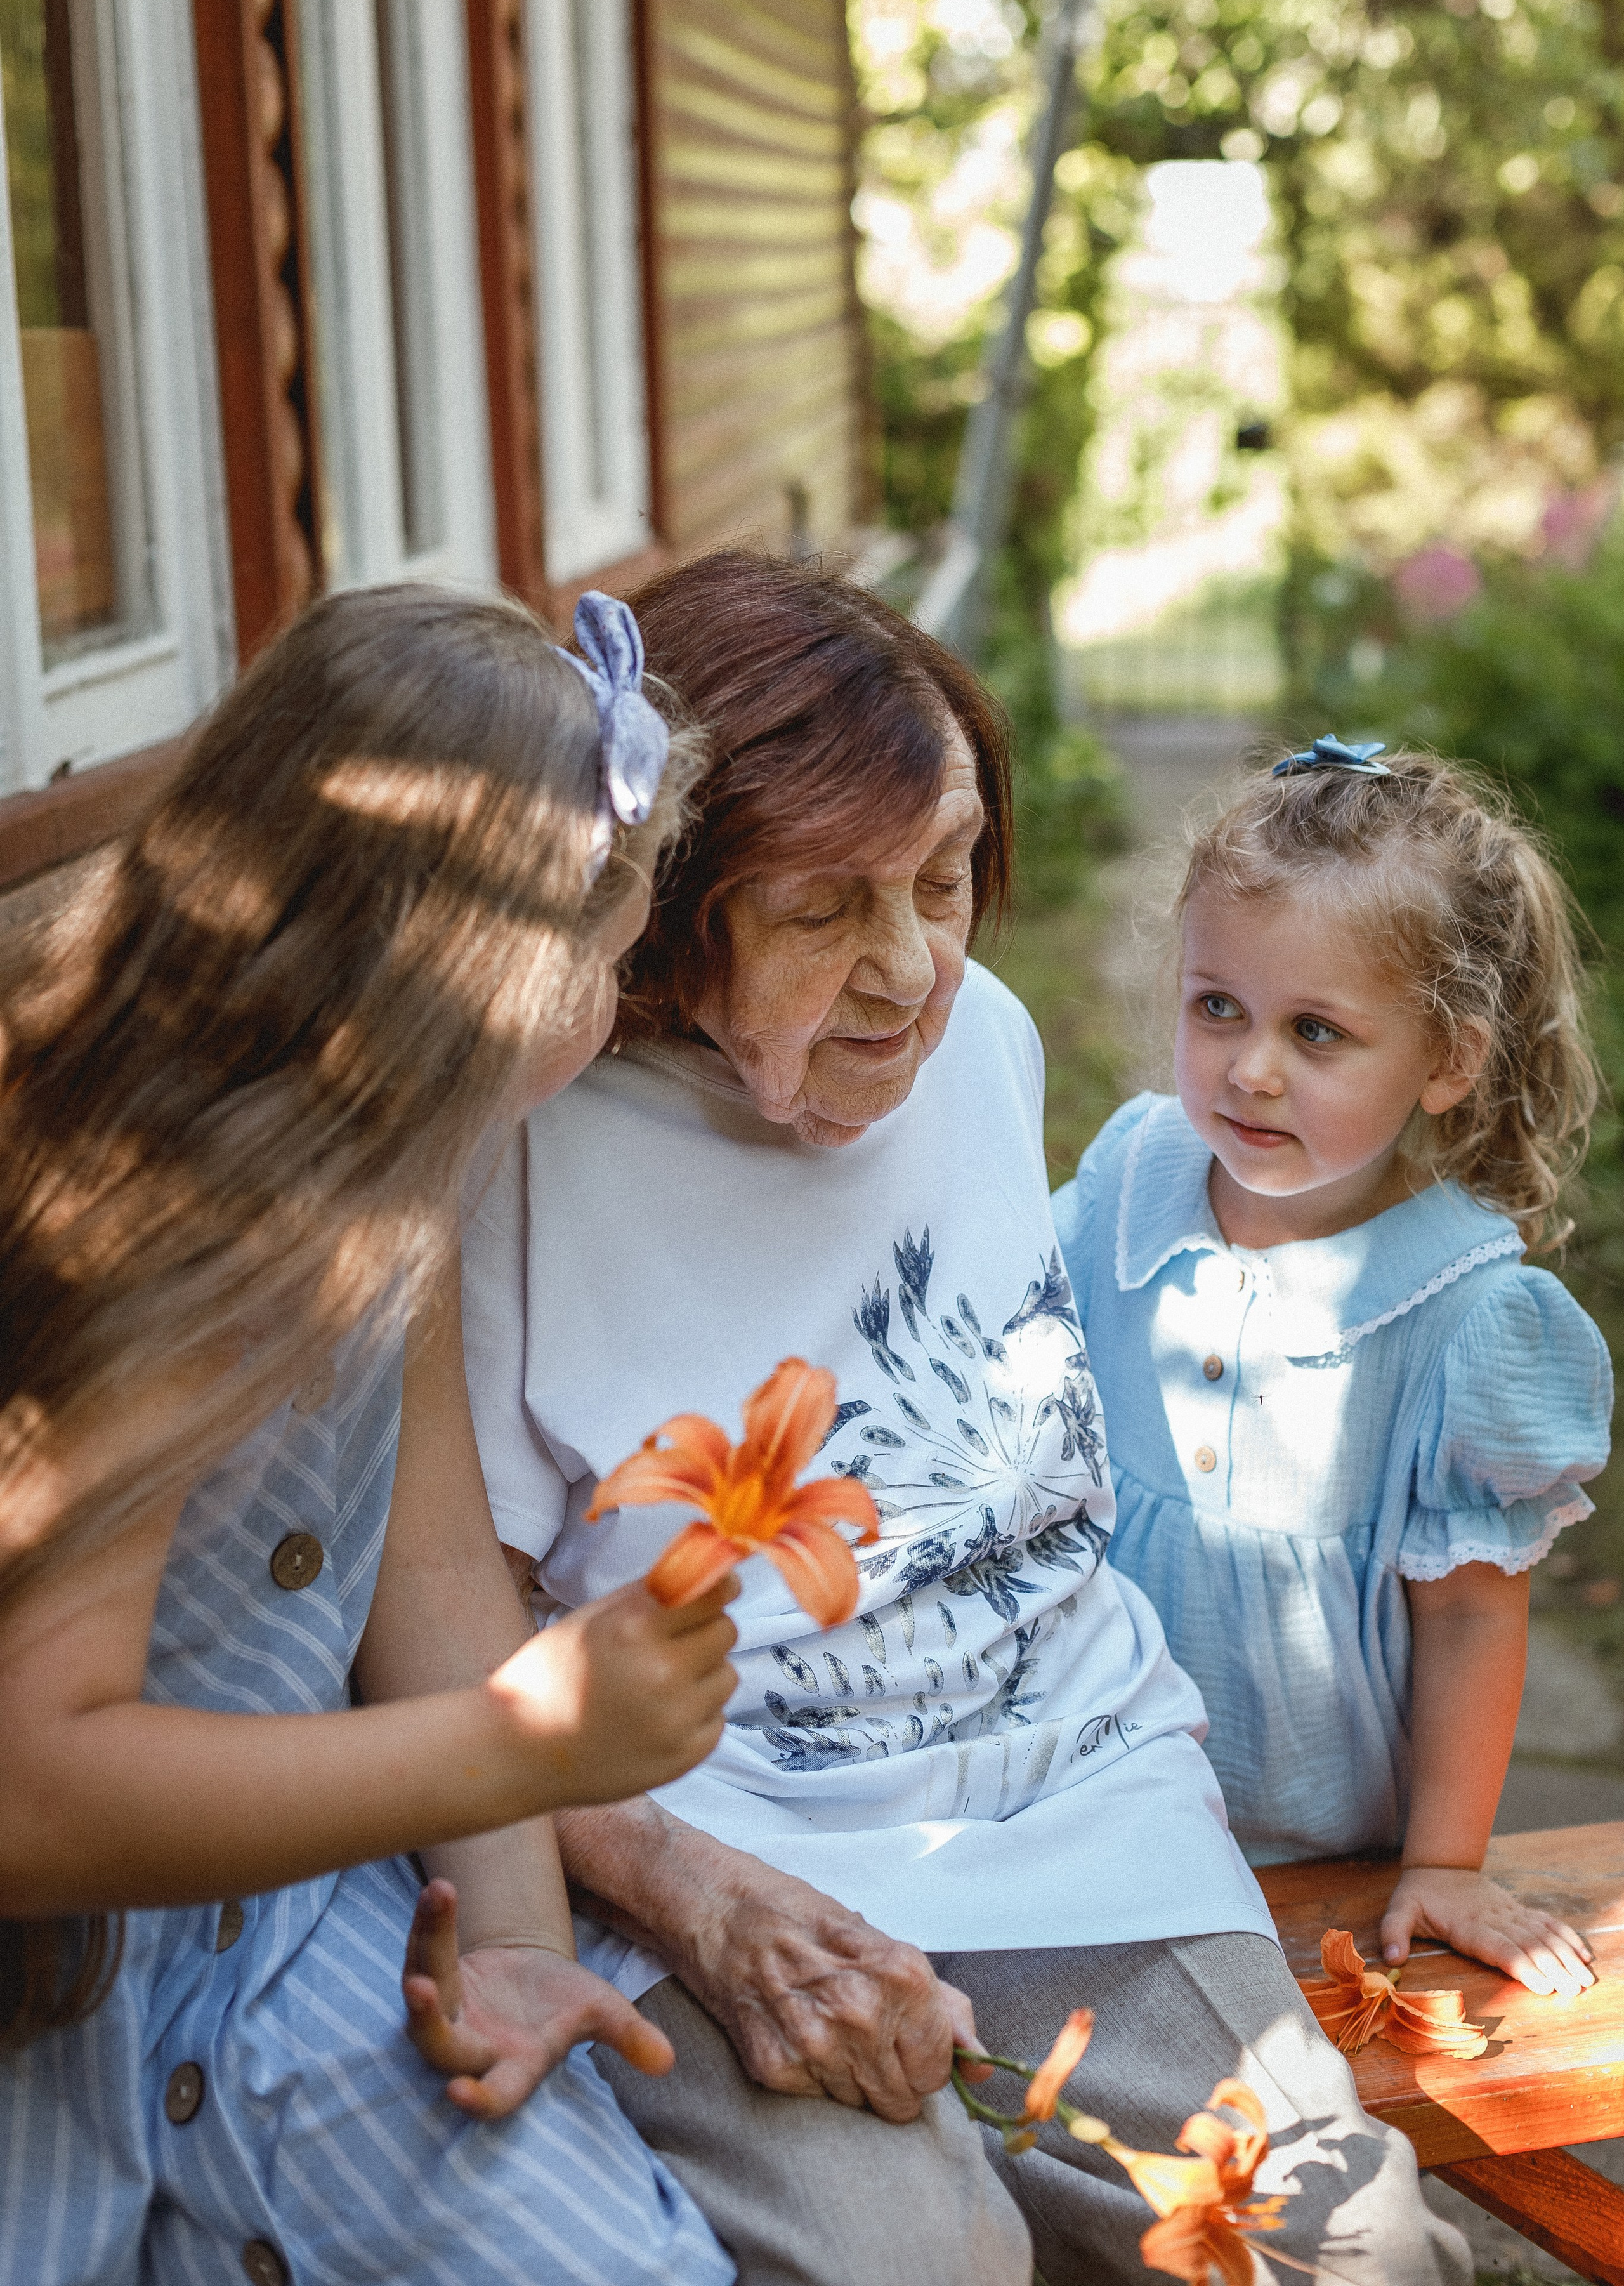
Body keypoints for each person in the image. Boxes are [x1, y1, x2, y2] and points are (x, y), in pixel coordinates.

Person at [462, 558, 1469, 2286]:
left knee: (1353, 2254)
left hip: (1076, 1804)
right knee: (911, 2262)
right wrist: (677, 1884)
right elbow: (444, 1641)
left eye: (944, 881)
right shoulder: (524, 1148)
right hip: (725, 1853)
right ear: (669, 905)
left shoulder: (982, 1040)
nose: (914, 970)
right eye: (824, 911)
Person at [0, 586, 738, 2286]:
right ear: (486, 973)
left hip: (280, 1945)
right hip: (52, 2015)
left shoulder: (401, 1155)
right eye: (612, 964)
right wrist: (530, 1751)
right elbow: (34, 1791)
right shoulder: (142, 1232)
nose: (618, 1010)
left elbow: (430, 1578)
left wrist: (519, 1949)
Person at [1053, 735, 1609, 1995]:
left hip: (1315, 1845)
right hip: (1089, 1791)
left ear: (1446, 1062)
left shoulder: (1461, 1314)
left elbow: (1469, 1613)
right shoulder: (1130, 1185)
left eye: (1315, 1031)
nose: (1249, 1068)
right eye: (1216, 1009)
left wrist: (1448, 1862)